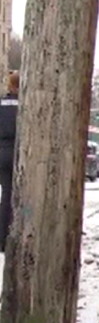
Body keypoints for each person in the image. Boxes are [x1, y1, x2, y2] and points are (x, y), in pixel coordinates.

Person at [0, 72, 20, 251]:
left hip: (1, 152)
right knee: (17, 195)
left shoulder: (1, 103)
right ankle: (13, 233)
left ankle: (2, 237)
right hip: (16, 152)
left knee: (6, 194)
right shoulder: (24, 106)